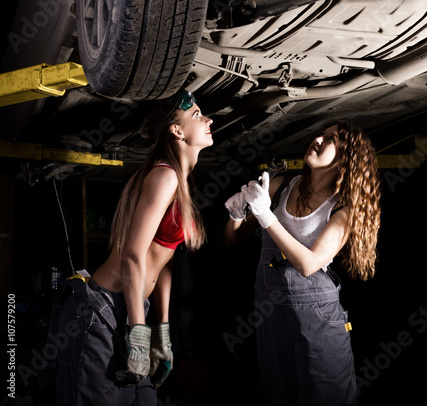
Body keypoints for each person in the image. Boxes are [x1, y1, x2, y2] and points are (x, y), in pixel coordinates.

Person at [48, 90, 213, 405]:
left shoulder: (179, 181)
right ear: (176, 131)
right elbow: (133, 256)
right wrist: (138, 332)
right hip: (103, 310)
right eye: (196, 115)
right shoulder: (164, 176)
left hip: (134, 306)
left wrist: (161, 328)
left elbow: (162, 262)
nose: (208, 120)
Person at [224, 122, 381, 406]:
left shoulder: (343, 210)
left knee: (326, 398)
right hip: (271, 312)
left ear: (346, 158)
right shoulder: (283, 186)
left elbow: (309, 265)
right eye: (320, 133)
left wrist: (265, 216)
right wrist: (237, 213)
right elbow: (231, 239)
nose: (317, 139)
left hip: (318, 318)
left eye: (331, 139)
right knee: (279, 395)